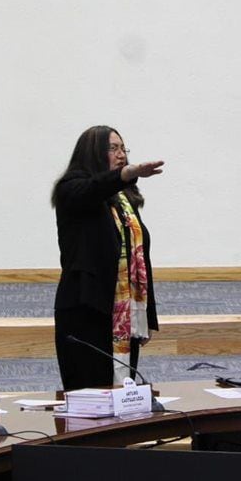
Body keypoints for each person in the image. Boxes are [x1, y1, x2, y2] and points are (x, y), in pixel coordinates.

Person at [51, 126, 164, 390]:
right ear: (93, 152)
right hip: (87, 313)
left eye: (124, 148)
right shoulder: (72, 190)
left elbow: (140, 260)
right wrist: (128, 174)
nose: (121, 154)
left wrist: (145, 316)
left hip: (124, 316)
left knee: (123, 400)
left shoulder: (124, 202)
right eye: (113, 148)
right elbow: (93, 188)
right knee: (91, 401)